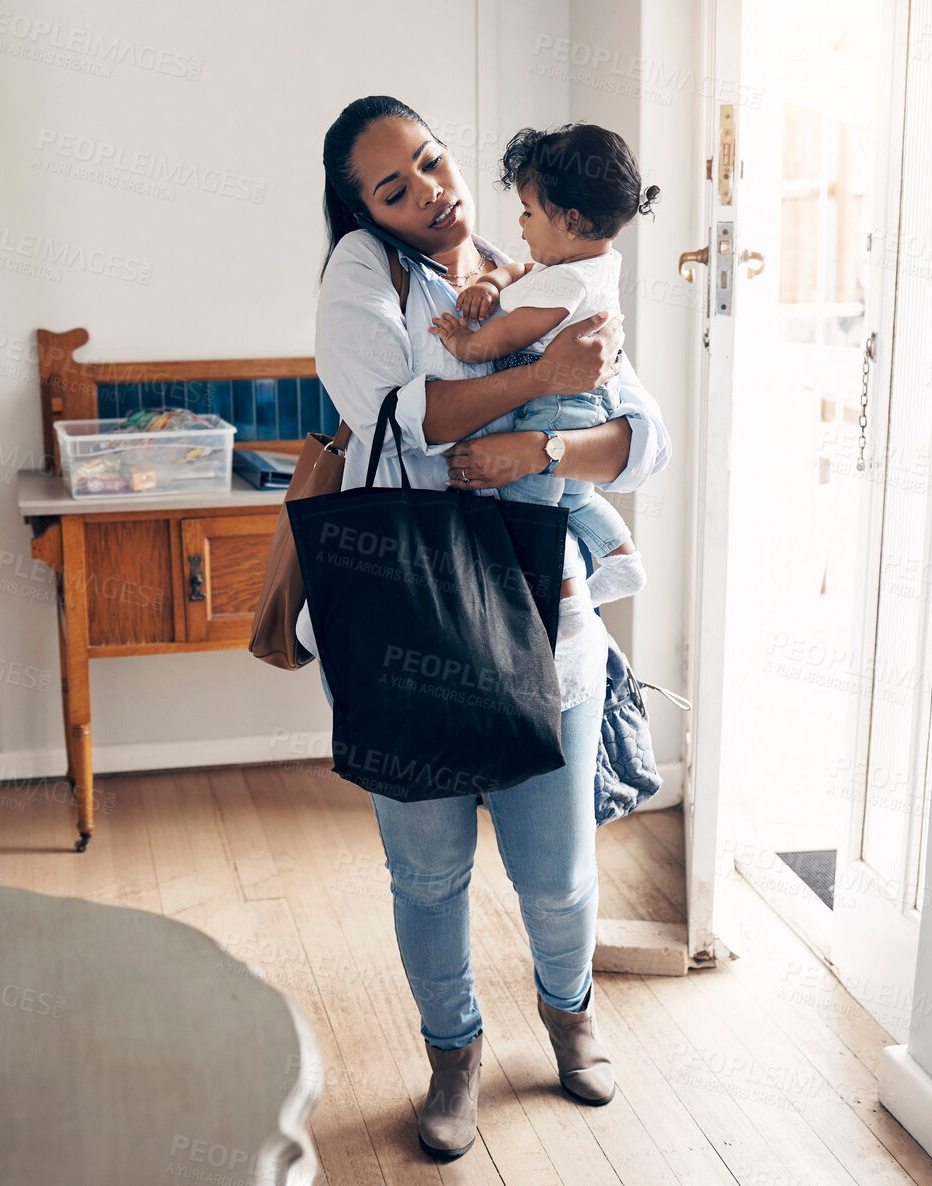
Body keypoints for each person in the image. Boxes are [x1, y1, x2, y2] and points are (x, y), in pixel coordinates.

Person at [295, 95, 671, 1161]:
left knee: (554, 872)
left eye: (430, 160)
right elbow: (395, 416)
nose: (430, 192)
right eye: (393, 187)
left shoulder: (540, 268)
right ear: (358, 208)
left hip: (540, 624)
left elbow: (639, 438)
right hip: (406, 613)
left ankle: (569, 1012)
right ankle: (453, 1051)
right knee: (427, 872)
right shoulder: (361, 282)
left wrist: (543, 447)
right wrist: (543, 380)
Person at [427, 122, 658, 606]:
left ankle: (553, 608)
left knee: (529, 510)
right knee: (576, 499)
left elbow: (508, 335)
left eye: (528, 212)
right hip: (592, 404)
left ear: (570, 222)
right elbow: (524, 269)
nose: (521, 223)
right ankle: (622, 559)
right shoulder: (587, 263)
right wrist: (492, 283)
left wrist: (465, 344)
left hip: (557, 407)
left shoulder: (560, 289)